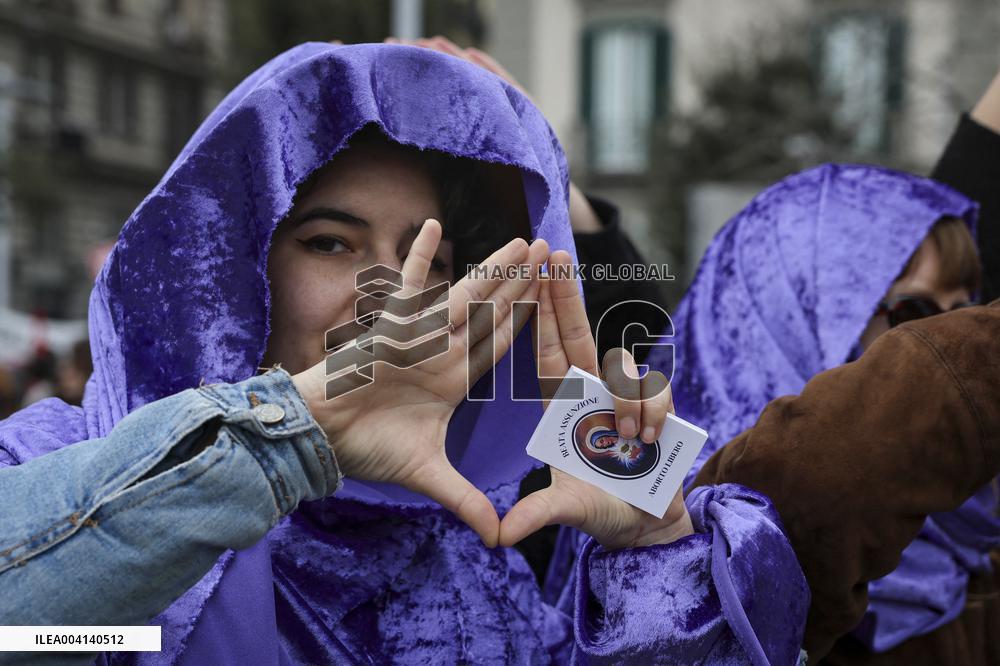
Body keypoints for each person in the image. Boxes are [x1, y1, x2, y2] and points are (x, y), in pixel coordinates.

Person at [0, 43, 807, 665]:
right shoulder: (54, 461)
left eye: (434, 260)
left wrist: (652, 538)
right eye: (329, 242)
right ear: (232, 274)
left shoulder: (470, 567)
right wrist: (282, 437)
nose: (392, 291)